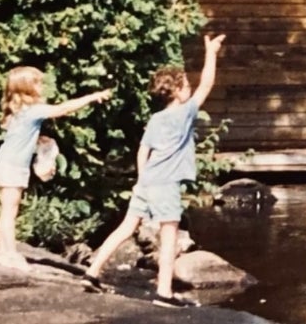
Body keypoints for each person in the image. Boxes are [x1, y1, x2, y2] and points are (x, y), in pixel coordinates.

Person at [82, 32, 226, 306]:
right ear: (177, 91)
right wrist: (211, 53)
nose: (190, 87)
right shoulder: (185, 113)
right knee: (169, 233)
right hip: (166, 183)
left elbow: (142, 151)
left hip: (147, 181)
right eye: (186, 85)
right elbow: (207, 84)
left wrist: (140, 180)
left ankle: (92, 272)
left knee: (126, 227)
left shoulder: (156, 119)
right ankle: (164, 292)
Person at [0, 66, 112, 269]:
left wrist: (40, 140)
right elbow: (63, 109)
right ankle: (9, 254)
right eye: (37, 83)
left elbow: (19, 138)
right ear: (27, 88)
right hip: (12, 167)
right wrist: (92, 97)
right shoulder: (32, 112)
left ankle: (3, 251)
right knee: (9, 213)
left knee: (7, 211)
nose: (42, 86)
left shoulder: (17, 112)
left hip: (6, 164)